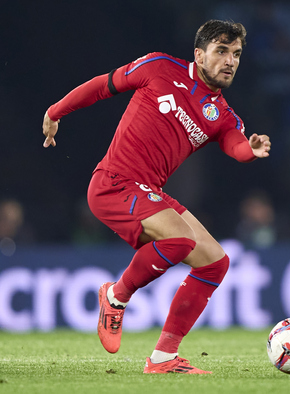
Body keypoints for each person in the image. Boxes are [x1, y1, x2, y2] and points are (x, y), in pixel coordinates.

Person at [41, 20, 271, 374]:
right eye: (221, 51)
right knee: (179, 239)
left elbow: (236, 146)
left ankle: (163, 358)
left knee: (215, 262)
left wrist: (251, 149)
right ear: (199, 54)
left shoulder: (222, 115)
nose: (230, 61)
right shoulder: (160, 67)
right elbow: (103, 86)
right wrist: (55, 112)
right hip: (113, 183)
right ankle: (115, 296)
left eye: (236, 54)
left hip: (149, 191)